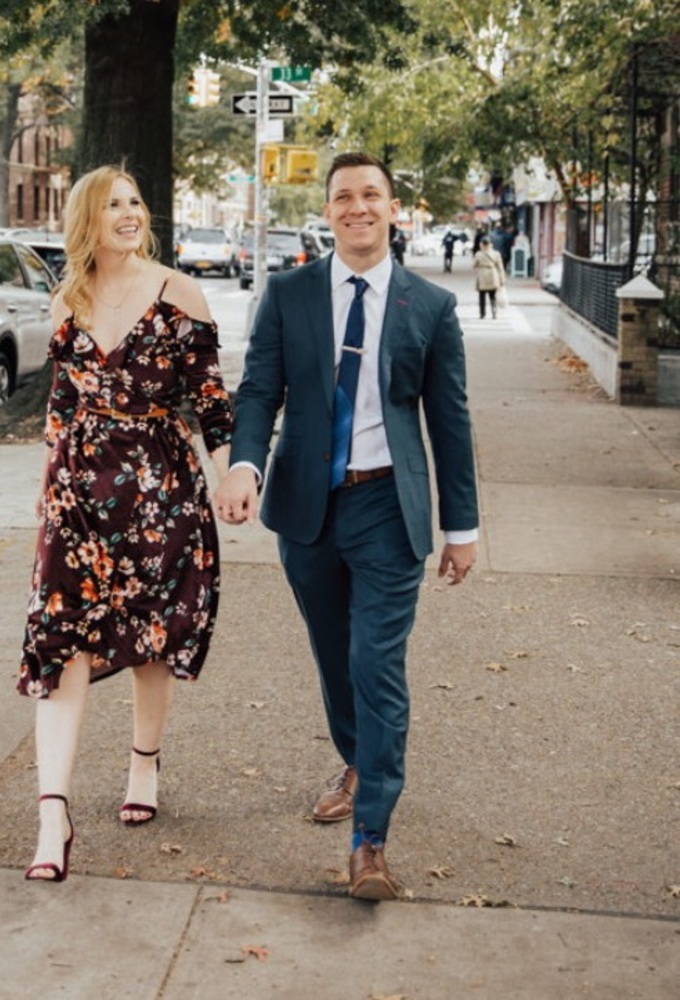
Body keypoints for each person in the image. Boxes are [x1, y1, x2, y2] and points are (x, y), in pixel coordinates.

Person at [214, 151, 478, 900]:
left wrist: (461, 526)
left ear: (395, 208)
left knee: (375, 664)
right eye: (342, 197)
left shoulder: (429, 307)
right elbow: (260, 387)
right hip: (306, 505)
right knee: (335, 657)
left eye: (371, 195)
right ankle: (359, 758)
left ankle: (371, 841)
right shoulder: (290, 292)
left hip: (389, 509)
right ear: (327, 210)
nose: (357, 207)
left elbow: (449, 424)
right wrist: (244, 464)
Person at [18, 166, 233, 882]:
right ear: (87, 219)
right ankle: (53, 815)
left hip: (159, 490)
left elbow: (211, 402)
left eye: (136, 201)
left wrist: (234, 471)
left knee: (150, 635)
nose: (129, 213)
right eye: (112, 204)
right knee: (60, 642)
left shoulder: (181, 293)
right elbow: (59, 408)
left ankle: (144, 764)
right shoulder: (65, 301)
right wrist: (51, 486)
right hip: (77, 495)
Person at [473, 236, 505, 319]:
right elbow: (500, 267)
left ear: (482, 244)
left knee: (482, 296)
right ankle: (494, 312)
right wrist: (502, 278)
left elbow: (473, 265)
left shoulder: (478, 254)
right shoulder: (496, 254)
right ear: (491, 244)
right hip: (493, 274)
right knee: (493, 296)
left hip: (482, 275)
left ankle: (482, 313)